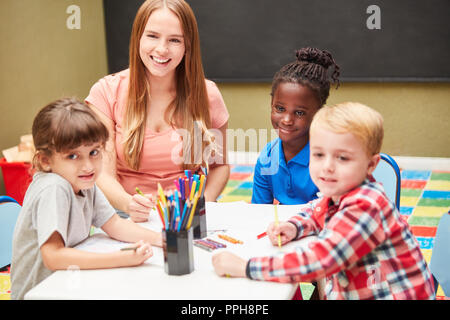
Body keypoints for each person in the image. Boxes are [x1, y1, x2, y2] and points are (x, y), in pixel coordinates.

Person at [213, 102, 435, 300]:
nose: (327, 166)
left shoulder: (366, 206)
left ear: (370, 165)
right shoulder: (339, 193)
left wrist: (245, 267)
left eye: (342, 157)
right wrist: (293, 226)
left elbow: (318, 261)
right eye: (318, 155)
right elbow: (315, 209)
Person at [85, 0, 230, 222]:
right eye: (152, 36)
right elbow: (103, 174)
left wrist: (201, 204)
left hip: (190, 213)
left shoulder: (207, 94)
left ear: (187, 45)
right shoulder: (106, 92)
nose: (162, 49)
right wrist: (128, 204)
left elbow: (219, 167)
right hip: (125, 213)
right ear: (138, 38)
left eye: (174, 40)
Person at [10, 98, 162, 300]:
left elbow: (115, 224)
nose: (88, 166)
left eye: (94, 152)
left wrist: (164, 240)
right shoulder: (54, 188)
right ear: (45, 161)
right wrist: (121, 259)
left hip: (69, 285)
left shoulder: (83, 181)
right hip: (41, 293)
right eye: (73, 156)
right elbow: (53, 256)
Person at [251, 47, 340, 205]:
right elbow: (259, 212)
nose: (286, 120)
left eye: (299, 113)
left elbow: (334, 216)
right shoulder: (267, 158)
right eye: (280, 109)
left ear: (319, 113)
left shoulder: (329, 161)